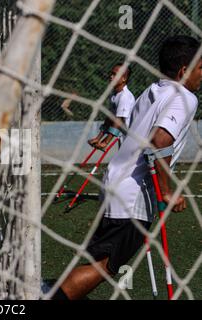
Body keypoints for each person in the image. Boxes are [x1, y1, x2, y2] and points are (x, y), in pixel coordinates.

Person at [52, 35, 201, 300]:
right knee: (104, 267)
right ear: (183, 71)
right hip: (132, 197)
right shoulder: (185, 97)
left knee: (100, 260)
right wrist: (166, 191)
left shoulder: (151, 91)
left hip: (115, 183)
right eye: (201, 67)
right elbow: (160, 141)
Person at [88, 63, 136, 149]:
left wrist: (105, 142)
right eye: (111, 73)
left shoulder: (125, 97)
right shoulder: (114, 94)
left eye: (115, 74)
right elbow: (110, 118)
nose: (111, 77)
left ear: (124, 78)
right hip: (123, 136)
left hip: (132, 139)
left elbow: (118, 121)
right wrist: (98, 138)